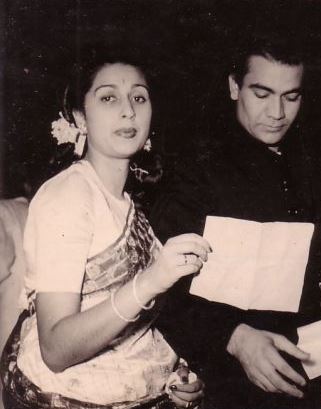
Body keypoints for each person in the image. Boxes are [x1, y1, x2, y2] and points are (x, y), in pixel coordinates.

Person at [0, 52, 210, 409]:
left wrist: (177, 374)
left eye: (139, 98)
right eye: (109, 98)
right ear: (80, 117)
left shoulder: (131, 199)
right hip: (68, 396)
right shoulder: (69, 196)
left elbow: (137, 328)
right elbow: (56, 349)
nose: (128, 111)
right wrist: (152, 280)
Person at [151, 37, 321, 409]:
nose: (277, 112)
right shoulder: (195, 168)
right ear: (234, 87)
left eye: (291, 97)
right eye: (262, 94)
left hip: (307, 383)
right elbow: (159, 291)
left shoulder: (315, 168)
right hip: (221, 383)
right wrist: (234, 337)